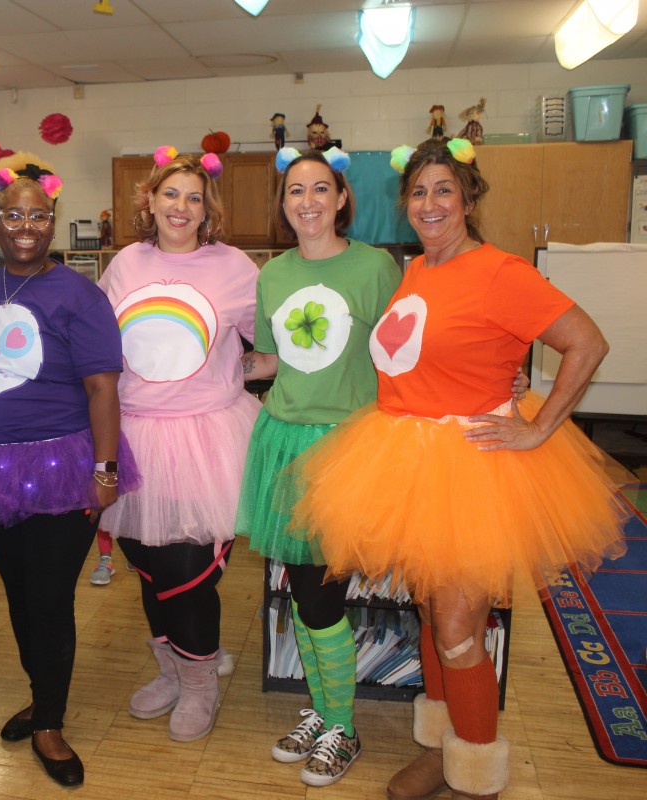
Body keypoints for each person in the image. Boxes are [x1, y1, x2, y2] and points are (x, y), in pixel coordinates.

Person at [290, 138, 627, 800]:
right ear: (403, 205)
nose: (430, 203)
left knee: (455, 629)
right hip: (405, 461)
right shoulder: (415, 269)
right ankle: (443, 747)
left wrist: (538, 426)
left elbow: (586, 342)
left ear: (469, 199)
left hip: (469, 469)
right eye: (418, 192)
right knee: (430, 614)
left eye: (445, 189)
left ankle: (476, 775)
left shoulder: (500, 270)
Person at [0, 153, 138, 787]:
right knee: (19, 598)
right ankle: (40, 695)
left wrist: (103, 473)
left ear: (53, 222)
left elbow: (104, 388)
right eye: (12, 213)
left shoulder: (79, 293)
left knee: (48, 599)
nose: (25, 224)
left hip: (60, 465)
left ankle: (50, 721)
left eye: (37, 215)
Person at [235, 146, 402, 786]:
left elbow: (403, 352)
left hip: (347, 448)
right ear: (283, 206)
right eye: (294, 191)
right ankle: (324, 711)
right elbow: (273, 361)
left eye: (319, 188)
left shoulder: (375, 267)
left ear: (340, 199)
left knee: (319, 591)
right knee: (301, 587)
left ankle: (343, 727)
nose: (306, 200)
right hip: (283, 439)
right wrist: (213, 361)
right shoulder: (273, 274)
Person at [97, 146, 260, 743]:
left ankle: (200, 683)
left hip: (206, 436)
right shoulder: (125, 265)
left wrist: (248, 374)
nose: (182, 207)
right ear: (151, 200)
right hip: (136, 432)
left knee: (189, 570)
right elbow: (100, 351)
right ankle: (172, 669)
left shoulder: (235, 266)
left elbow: (271, 340)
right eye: (171, 194)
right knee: (148, 564)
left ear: (207, 208)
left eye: (194, 197)